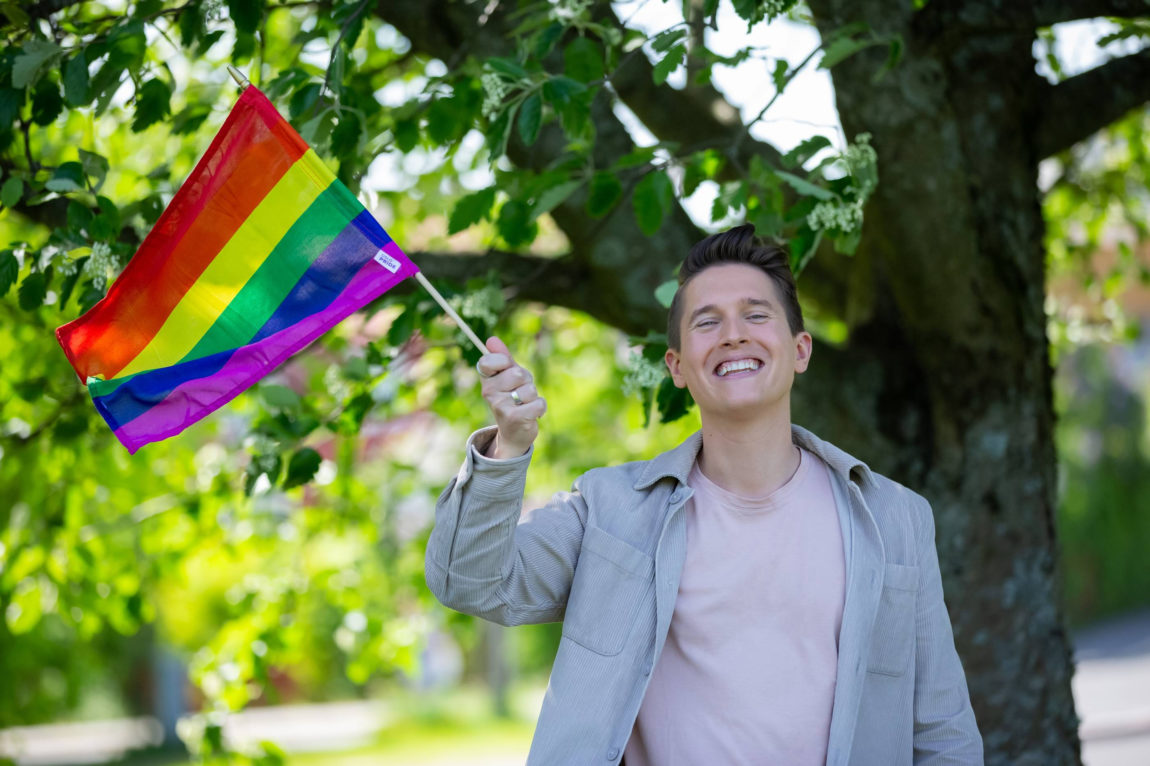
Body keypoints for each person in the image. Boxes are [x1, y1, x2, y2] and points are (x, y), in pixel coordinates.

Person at [425, 224, 983, 765]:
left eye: (756, 315)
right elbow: (472, 580)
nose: (733, 334)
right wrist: (508, 446)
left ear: (801, 350)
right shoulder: (609, 510)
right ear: (676, 367)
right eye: (707, 322)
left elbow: (941, 730)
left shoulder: (894, 517)